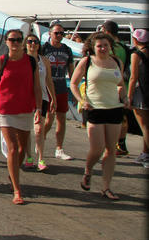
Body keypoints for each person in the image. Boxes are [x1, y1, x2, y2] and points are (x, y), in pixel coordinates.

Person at [0, 29, 42, 205]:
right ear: (6, 42)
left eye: (19, 40)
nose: (16, 43)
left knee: (21, 150)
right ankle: (17, 190)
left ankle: (13, 175)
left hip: (25, 109)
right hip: (5, 110)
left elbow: (37, 86)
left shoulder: (30, 61)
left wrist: (39, 108)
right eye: (12, 40)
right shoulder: (0, 62)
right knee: (12, 148)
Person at [69, 32, 127, 200]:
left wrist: (125, 97)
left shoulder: (117, 62)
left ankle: (106, 187)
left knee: (111, 150)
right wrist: (81, 100)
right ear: (93, 48)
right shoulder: (87, 62)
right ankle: (88, 171)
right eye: (99, 46)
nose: (102, 48)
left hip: (114, 108)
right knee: (97, 148)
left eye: (105, 45)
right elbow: (73, 83)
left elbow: (120, 84)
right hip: (94, 108)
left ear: (110, 46)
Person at [42, 20, 75, 161]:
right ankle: (40, 140)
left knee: (62, 119)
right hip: (48, 88)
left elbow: (72, 71)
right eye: (57, 33)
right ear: (50, 34)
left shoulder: (67, 50)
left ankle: (59, 148)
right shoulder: (44, 49)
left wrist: (74, 87)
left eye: (62, 33)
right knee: (49, 119)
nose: (59, 35)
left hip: (61, 87)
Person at [23, 33, 56, 171]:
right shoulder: (22, 60)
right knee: (26, 129)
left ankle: (41, 158)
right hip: (25, 97)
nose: (33, 44)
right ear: (25, 44)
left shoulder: (44, 60)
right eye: (30, 41)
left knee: (39, 129)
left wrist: (53, 97)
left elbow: (48, 80)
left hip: (41, 97)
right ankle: (29, 157)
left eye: (35, 41)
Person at [100, 20, 131, 156]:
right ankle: (122, 144)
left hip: (113, 85)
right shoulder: (123, 46)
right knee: (122, 116)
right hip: (124, 83)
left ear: (107, 32)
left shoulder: (112, 48)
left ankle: (112, 146)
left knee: (112, 117)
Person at [127, 29, 149, 168]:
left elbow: (133, 77)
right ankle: (144, 152)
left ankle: (147, 156)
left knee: (145, 127)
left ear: (135, 40)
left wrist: (128, 96)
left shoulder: (136, 54)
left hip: (141, 93)